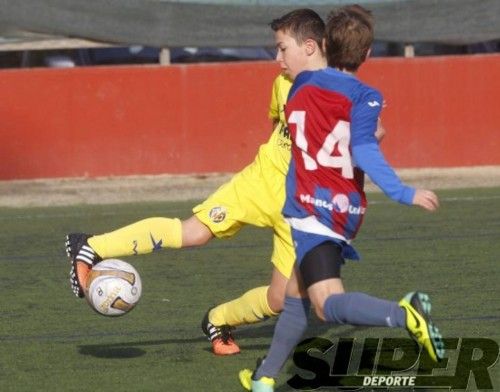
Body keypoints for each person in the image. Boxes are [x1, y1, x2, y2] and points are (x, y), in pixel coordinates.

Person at [66, 9, 329, 356]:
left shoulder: (341, 91)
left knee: (280, 298)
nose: (277, 57)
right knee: (194, 232)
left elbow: (363, 136)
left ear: (309, 46)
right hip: (257, 184)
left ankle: (218, 320)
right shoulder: (282, 85)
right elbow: (277, 129)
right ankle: (91, 245)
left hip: (299, 210)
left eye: (282, 48)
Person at [239, 5, 445, 392]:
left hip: (313, 212)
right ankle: (264, 377)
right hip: (343, 212)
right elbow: (365, 145)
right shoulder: (366, 96)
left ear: (323, 46)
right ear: (368, 55)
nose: (279, 58)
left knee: (325, 304)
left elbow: (361, 146)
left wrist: (404, 192)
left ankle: (404, 313)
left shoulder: (301, 87)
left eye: (282, 49)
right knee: (295, 297)